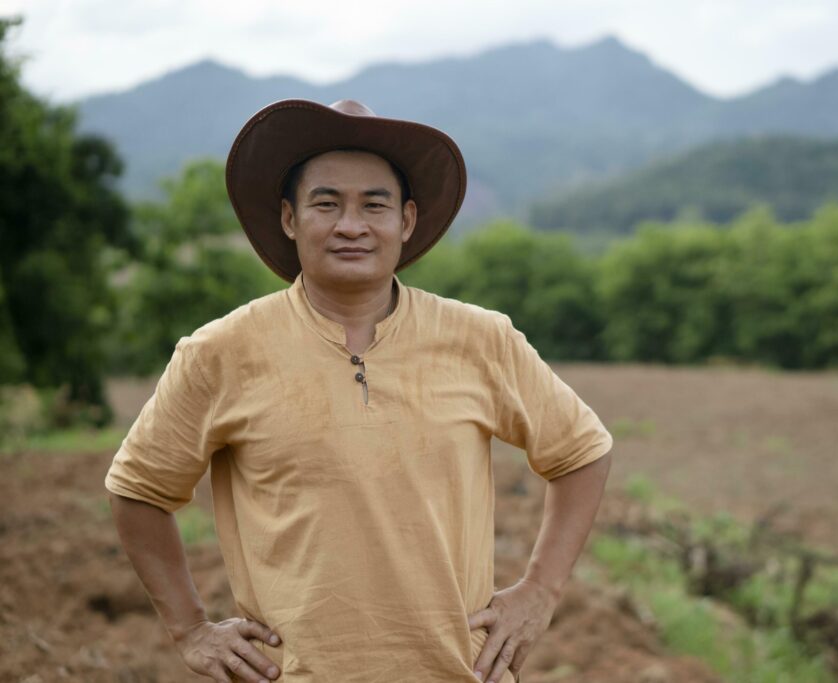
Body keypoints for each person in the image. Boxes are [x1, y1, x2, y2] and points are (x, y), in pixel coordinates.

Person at [104, 98, 614, 683]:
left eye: (375, 204)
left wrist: (540, 592)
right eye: (326, 203)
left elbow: (581, 452)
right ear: (290, 219)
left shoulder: (480, 340)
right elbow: (138, 489)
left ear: (407, 221)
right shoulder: (220, 353)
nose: (351, 224)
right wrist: (190, 629)